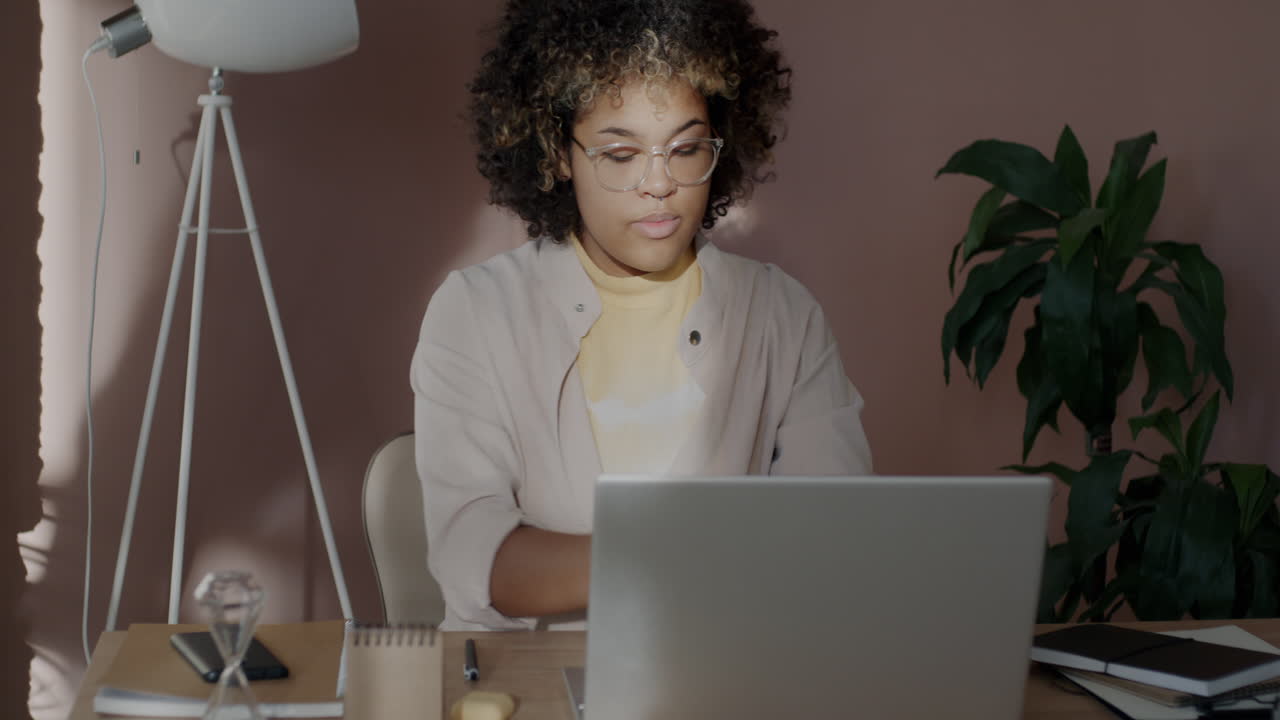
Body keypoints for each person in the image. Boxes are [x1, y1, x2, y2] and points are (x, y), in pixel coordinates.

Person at [412, 0, 873, 632]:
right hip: (528, 683)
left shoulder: (781, 315)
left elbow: (838, 540)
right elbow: (473, 554)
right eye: (621, 155)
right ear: (556, 152)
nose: (660, 184)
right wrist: (684, 557)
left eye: (685, 149)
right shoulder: (475, 311)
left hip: (725, 676)